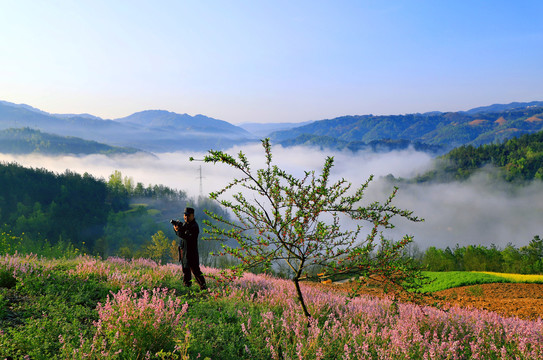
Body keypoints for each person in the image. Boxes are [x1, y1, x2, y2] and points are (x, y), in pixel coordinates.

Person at [173, 207, 207, 290]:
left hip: (191, 253)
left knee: (196, 272)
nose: (186, 217)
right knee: (186, 271)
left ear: (193, 216)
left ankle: (204, 288)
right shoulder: (185, 224)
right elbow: (181, 233)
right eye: (185, 215)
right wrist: (177, 228)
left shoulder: (194, 226)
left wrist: (177, 231)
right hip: (184, 251)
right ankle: (187, 288)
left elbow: (186, 237)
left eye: (188, 215)